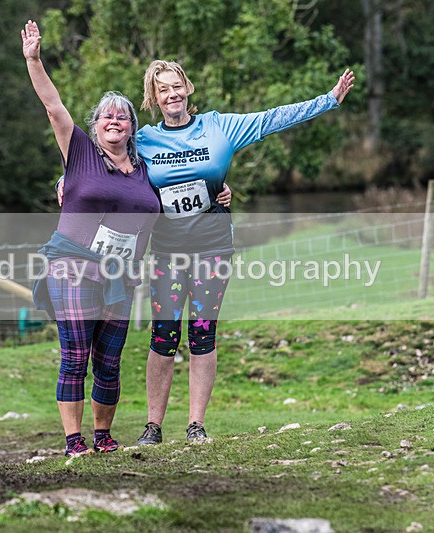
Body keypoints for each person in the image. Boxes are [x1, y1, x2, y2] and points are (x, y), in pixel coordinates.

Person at [134, 60, 355, 445]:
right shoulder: (145, 140)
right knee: (163, 336)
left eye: (177, 86)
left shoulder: (219, 127)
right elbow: (104, 156)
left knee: (203, 332)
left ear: (188, 88)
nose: (172, 94)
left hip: (213, 246)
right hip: (168, 251)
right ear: (153, 98)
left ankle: (195, 425)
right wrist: (64, 179)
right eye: (162, 89)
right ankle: (153, 427)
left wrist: (328, 100)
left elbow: (273, 118)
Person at [22, 20, 161, 456]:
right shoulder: (79, 152)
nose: (114, 121)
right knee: (76, 355)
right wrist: (34, 60)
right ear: (95, 125)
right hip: (74, 266)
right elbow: (53, 106)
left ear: (132, 128)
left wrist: (221, 193)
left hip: (120, 275)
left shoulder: (144, 171)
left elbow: (184, 184)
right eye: (106, 116)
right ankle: (73, 441)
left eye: (123, 116)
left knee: (110, 362)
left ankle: (102, 436)